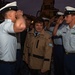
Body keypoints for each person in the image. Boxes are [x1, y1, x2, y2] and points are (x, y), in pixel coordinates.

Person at [0, 1, 26, 75]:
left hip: (8, 64)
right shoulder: (7, 24)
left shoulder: (5, 25)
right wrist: (20, 16)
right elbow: (22, 26)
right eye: (15, 12)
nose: (17, 13)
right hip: (6, 65)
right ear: (10, 14)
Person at [53, 6, 75, 75]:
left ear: (73, 16)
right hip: (66, 56)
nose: (65, 18)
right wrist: (57, 24)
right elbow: (54, 34)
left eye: (67, 16)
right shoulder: (65, 28)